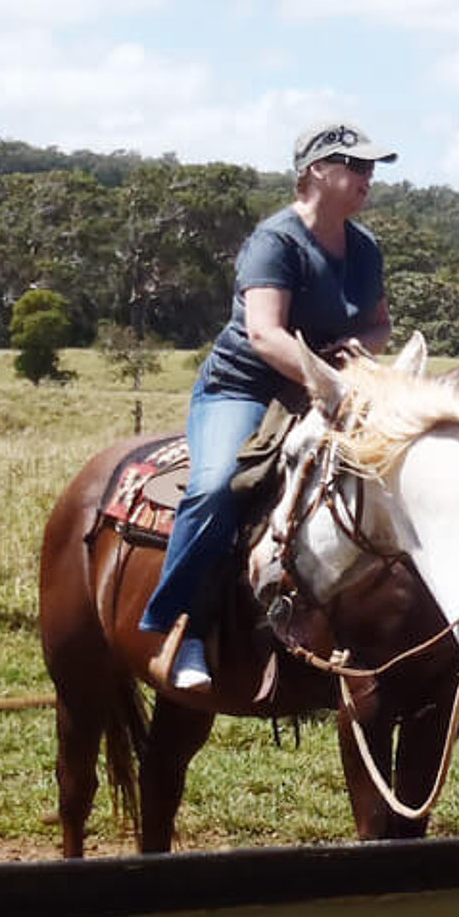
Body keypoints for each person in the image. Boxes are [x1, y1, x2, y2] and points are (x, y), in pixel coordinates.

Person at [139, 121, 395, 692]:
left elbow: (379, 324)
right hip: (245, 389)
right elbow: (264, 334)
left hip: (324, 391)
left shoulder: (365, 246)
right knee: (218, 485)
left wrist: (359, 350)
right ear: (314, 172)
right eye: (354, 166)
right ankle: (174, 628)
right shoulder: (276, 241)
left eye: (371, 168)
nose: (367, 177)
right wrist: (330, 377)